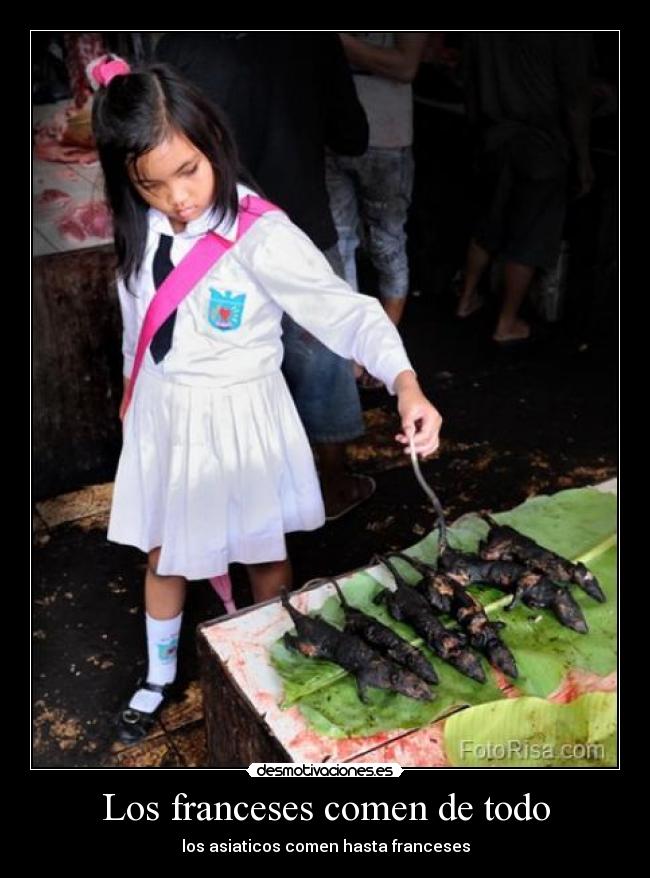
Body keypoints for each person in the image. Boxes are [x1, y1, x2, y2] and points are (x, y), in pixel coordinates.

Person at [90, 58, 443, 742]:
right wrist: (134, 403)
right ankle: (159, 677)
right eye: (151, 184)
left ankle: (281, 661)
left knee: (263, 552)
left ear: (214, 143)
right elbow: (138, 323)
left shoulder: (263, 236)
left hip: (241, 414)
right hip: (167, 414)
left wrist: (406, 383)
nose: (177, 198)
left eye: (188, 172)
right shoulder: (140, 223)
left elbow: (350, 313)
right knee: (163, 555)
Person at [155, 32, 374, 520]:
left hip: (214, 241)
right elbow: (351, 135)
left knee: (228, 366)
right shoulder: (311, 39)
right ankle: (332, 485)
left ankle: (244, 501)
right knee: (322, 363)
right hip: (300, 226)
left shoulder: (178, 46)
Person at [455, 32, 593, 344]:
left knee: (489, 222)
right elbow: (575, 98)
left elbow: (469, 80)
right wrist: (583, 159)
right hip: (541, 144)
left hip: (493, 137)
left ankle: (466, 297)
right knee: (529, 234)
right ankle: (506, 322)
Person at [326, 33, 428, 354]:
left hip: (386, 135)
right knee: (340, 241)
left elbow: (406, 67)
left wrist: (337, 42)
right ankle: (353, 346)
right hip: (335, 133)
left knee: (385, 242)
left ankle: (383, 345)